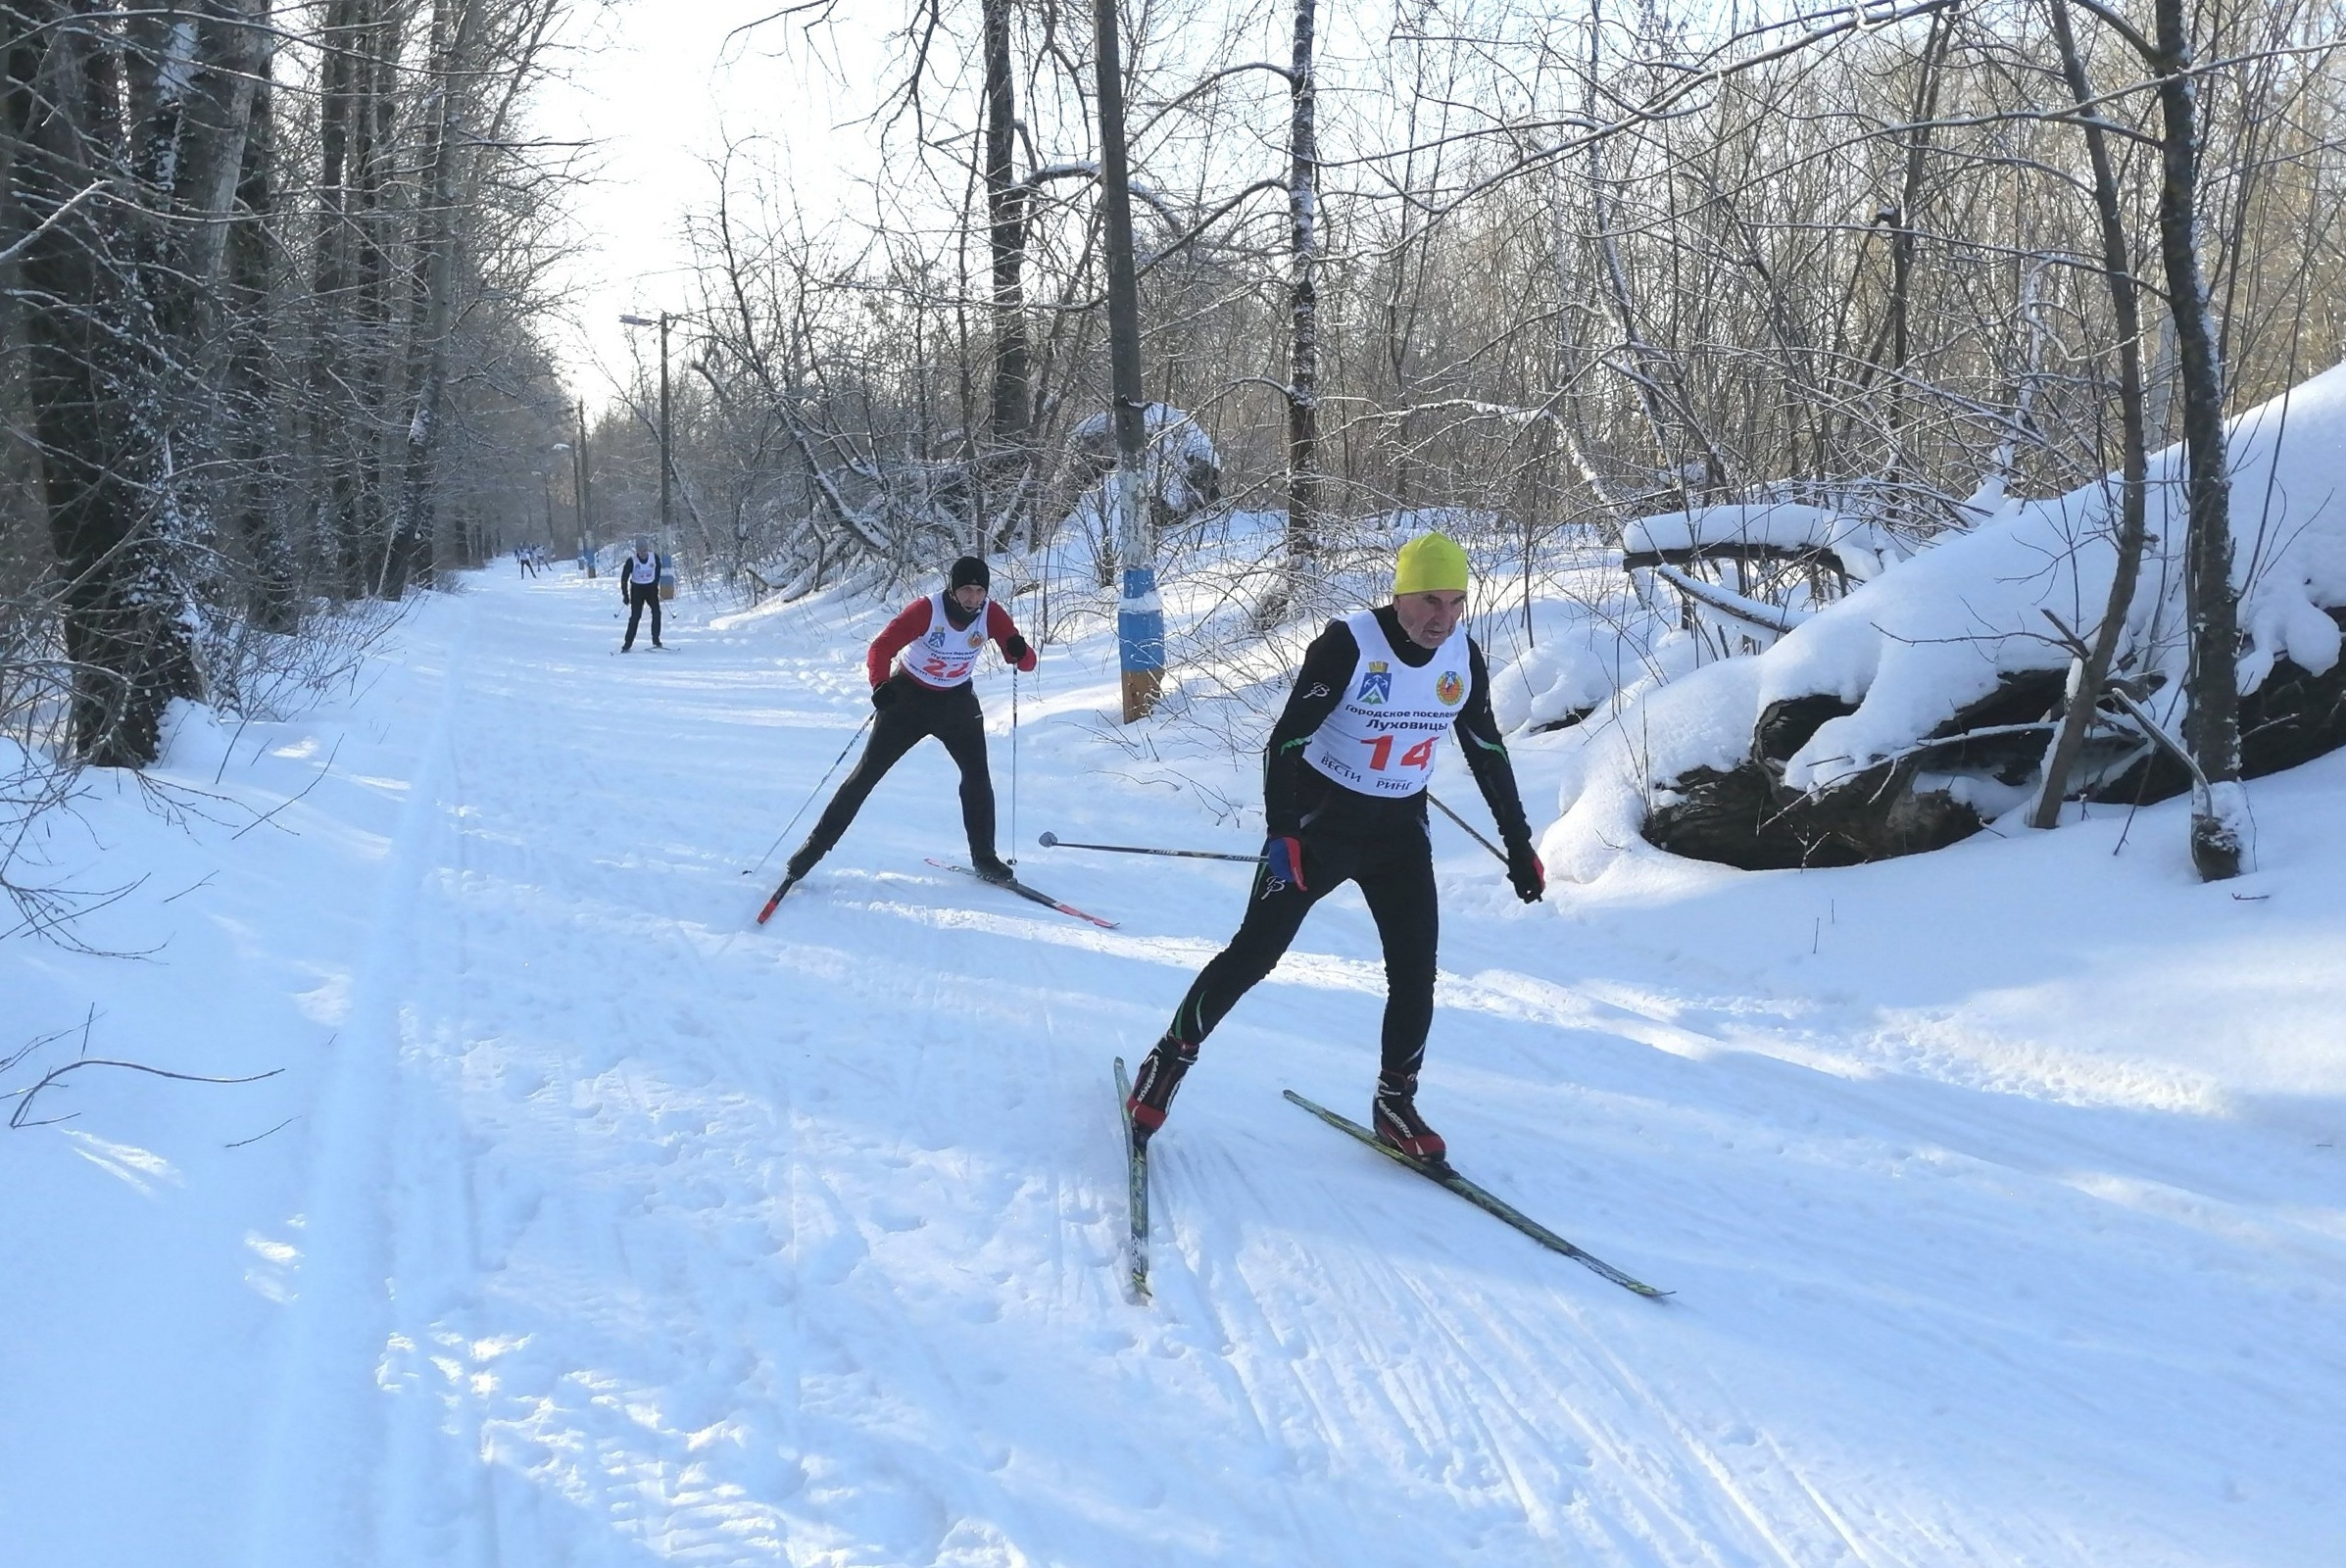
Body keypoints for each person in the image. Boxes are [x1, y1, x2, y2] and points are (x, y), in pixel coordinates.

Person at [1125, 531, 1544, 1163]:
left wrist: (1518, 842)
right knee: (1255, 952)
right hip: (1322, 823)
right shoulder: (1350, 643)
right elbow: (1287, 741)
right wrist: (1283, 829)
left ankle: (1395, 1101)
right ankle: (1169, 1058)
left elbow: (1486, 750)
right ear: (1401, 595)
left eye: (1456, 602)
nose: (1444, 617)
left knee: (1414, 969)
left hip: (1399, 830)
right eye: (1430, 600)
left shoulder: (1463, 655)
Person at [781, 555, 1037, 891]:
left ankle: (985, 857)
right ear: (952, 588)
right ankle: (809, 853)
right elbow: (881, 648)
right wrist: (880, 685)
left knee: (977, 778)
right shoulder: (926, 610)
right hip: (908, 699)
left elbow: (1026, 662)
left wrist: (1019, 648)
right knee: (864, 776)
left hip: (956, 703)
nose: (973, 598)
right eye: (966, 590)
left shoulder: (991, 615)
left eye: (979, 591)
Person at [619, 536, 664, 650]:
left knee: (656, 612)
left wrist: (655, 584)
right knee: (635, 616)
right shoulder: (632, 561)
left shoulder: (654, 558)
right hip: (637, 590)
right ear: (637, 551)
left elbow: (658, 571)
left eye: (645, 550)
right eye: (640, 551)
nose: (643, 553)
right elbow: (624, 578)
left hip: (650, 589)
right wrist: (625, 595)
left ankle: (656, 639)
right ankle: (627, 643)